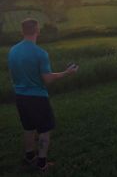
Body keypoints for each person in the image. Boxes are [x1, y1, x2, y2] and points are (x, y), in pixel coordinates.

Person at [8, 19, 79, 172]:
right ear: (37, 31)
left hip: (20, 96)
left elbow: (12, 74)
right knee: (44, 130)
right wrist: (67, 73)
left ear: (22, 31)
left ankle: (29, 157)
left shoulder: (12, 50)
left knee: (28, 128)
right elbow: (47, 79)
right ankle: (42, 164)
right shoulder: (40, 53)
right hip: (37, 98)